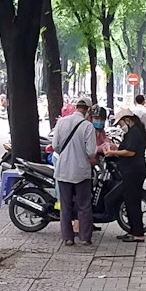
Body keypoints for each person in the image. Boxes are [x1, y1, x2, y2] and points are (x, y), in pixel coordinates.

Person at [51, 97, 97, 246]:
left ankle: (68, 238)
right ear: (88, 110)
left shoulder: (61, 122)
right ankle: (85, 237)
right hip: (81, 171)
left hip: (63, 170)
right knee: (84, 205)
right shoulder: (88, 126)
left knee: (65, 205)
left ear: (76, 107)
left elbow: (55, 146)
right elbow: (91, 151)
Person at [104, 109, 146, 243]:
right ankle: (133, 230)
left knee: (133, 201)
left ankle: (138, 234)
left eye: (121, 123)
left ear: (127, 119)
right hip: (132, 170)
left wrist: (113, 153)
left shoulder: (135, 132)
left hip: (134, 171)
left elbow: (130, 152)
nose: (120, 126)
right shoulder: (133, 131)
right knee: (129, 200)